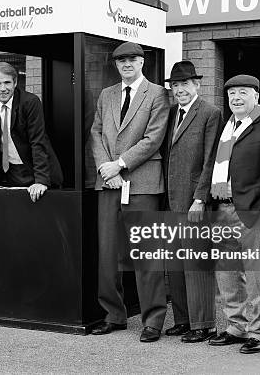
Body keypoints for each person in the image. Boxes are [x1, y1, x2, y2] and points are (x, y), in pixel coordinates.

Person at [89, 42, 169, 343]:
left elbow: (153, 139)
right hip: (108, 182)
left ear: (142, 62)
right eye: (121, 61)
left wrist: (120, 164)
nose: (127, 65)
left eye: (132, 60)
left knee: (145, 253)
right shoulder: (106, 94)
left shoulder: (159, 94)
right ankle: (114, 315)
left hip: (142, 183)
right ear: (115, 65)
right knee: (108, 253)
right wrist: (104, 168)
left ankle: (153, 320)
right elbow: (95, 132)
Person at [208, 75, 260, 353]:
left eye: (242, 93)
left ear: (256, 96)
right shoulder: (227, 126)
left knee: (256, 274)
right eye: (231, 94)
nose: (236, 98)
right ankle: (236, 325)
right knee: (227, 272)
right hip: (222, 206)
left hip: (252, 210)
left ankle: (259, 332)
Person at [160, 60, 222, 342]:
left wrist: (200, 198)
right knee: (175, 264)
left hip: (193, 202)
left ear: (197, 85)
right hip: (170, 200)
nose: (180, 89)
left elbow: (211, 160)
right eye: (175, 85)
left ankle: (203, 324)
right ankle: (183, 321)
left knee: (196, 265)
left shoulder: (210, 113)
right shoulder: (171, 112)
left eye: (185, 84)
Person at [0, 62, 62, 202]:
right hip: (8, 173)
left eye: (7, 82)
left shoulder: (30, 102)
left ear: (15, 83)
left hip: (37, 171)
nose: (3, 88)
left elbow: (37, 142)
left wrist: (41, 181)